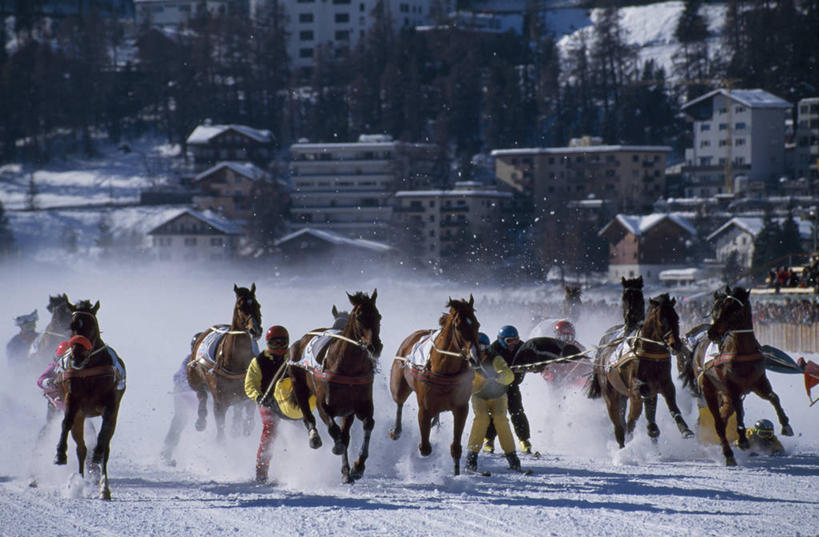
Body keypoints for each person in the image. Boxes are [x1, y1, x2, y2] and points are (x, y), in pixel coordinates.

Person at [465, 332, 520, 473]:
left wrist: (498, 376)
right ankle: (471, 458)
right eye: (475, 347)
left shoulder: (494, 358)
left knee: (500, 420)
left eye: (482, 347)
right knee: (481, 419)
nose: (478, 351)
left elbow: (509, 375)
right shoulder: (467, 360)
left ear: (487, 347)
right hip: (479, 396)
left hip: (498, 396)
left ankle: (512, 457)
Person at [244, 325, 290, 484]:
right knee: (270, 430)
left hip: (289, 401)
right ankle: (262, 470)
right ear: (268, 343)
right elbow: (250, 385)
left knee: (303, 427)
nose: (279, 347)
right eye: (275, 343)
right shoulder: (259, 361)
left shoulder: (292, 358)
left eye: (282, 343)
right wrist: (259, 397)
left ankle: (299, 465)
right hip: (268, 402)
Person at [483, 325, 533, 455]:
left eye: (515, 340)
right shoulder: (493, 349)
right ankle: (488, 440)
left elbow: (532, 362)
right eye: (509, 341)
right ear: (501, 340)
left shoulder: (522, 348)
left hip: (513, 385)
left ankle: (524, 440)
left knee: (517, 411)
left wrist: (530, 367)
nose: (513, 344)